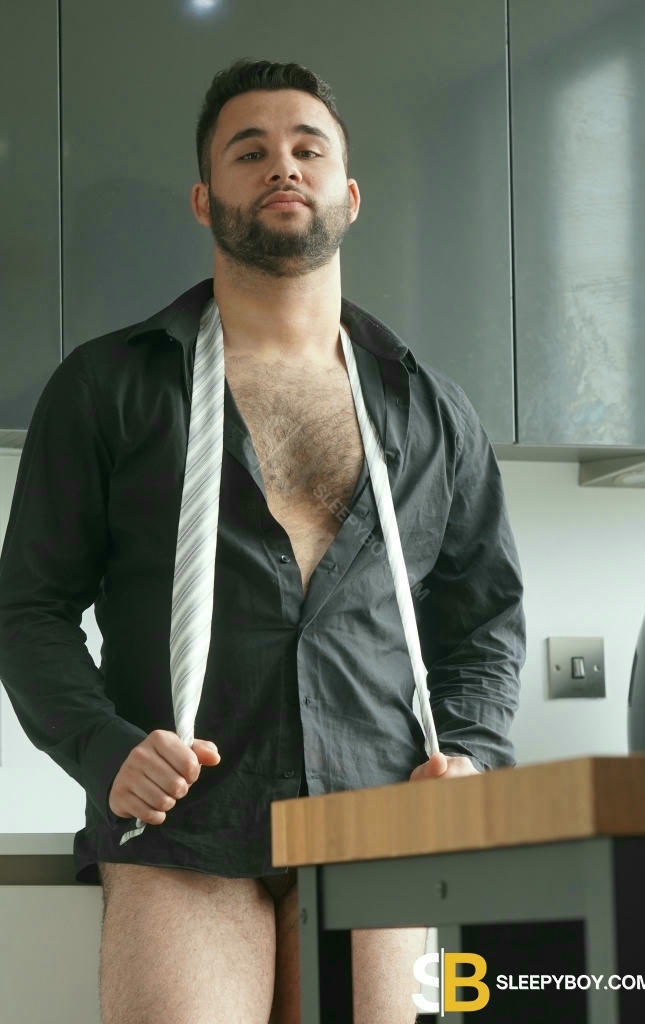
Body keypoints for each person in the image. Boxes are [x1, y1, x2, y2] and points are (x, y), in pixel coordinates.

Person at [0, 58, 525, 1024]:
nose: (283, 165)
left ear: (349, 195)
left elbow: (484, 619)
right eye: (249, 151)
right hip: (182, 826)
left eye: (307, 148)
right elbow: (27, 609)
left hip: (377, 820)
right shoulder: (109, 387)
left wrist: (475, 757)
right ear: (205, 200)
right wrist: (104, 749)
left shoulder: (433, 410)